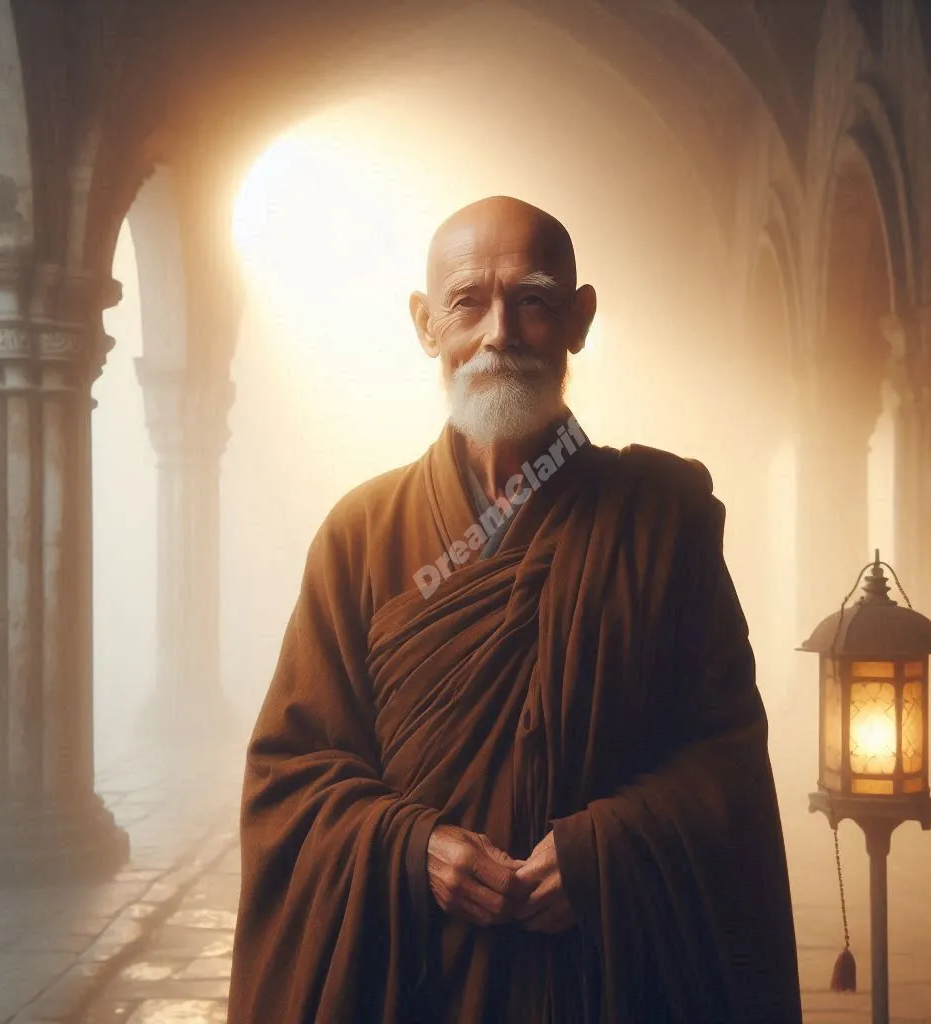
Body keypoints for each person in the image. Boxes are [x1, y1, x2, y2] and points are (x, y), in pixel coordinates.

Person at [227, 195, 802, 1023]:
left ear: (579, 318)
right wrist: (412, 847)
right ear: (426, 325)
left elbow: (726, 760)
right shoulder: (362, 535)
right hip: (420, 981)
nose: (499, 333)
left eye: (532, 300)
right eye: (467, 302)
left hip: (608, 979)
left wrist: (604, 854)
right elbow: (291, 777)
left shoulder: (660, 523)